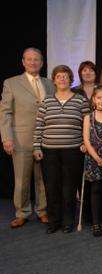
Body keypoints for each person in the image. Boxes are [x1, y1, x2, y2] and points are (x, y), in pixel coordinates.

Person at [0, 47, 55, 228]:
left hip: (46, 139)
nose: (33, 62)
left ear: (41, 62)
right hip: (21, 139)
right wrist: (6, 138)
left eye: (36, 59)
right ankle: (22, 212)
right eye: (29, 59)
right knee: (22, 180)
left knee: (43, 178)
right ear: (23, 62)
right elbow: (5, 112)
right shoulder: (11, 83)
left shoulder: (49, 83)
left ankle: (42, 210)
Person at [33, 65, 90, 234]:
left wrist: (85, 143)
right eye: (59, 76)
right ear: (54, 80)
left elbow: (86, 125)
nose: (62, 79)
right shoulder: (47, 101)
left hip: (73, 151)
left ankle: (67, 221)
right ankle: (54, 221)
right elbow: (39, 126)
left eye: (66, 76)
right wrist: (36, 146)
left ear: (71, 79)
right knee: (51, 187)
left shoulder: (81, 100)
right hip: (49, 151)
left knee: (69, 188)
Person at [83, 85, 102, 237]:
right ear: (94, 99)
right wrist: (97, 158)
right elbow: (86, 141)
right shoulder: (88, 118)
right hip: (94, 158)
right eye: (99, 98)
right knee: (95, 190)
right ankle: (96, 223)